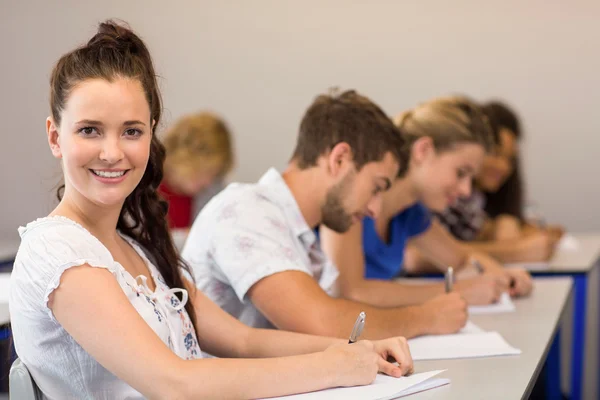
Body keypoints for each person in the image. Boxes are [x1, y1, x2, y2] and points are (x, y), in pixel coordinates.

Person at [8, 21, 413, 399]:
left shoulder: (140, 251)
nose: (112, 152)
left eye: (132, 131)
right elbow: (175, 383)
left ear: (151, 134)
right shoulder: (57, 251)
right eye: (89, 130)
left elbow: (243, 341)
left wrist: (356, 348)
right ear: (55, 136)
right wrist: (334, 368)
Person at [182, 89, 469, 341]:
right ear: (339, 159)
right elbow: (321, 322)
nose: (375, 209)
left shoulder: (300, 236)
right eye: (376, 188)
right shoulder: (245, 210)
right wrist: (425, 318)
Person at [320, 97, 533, 309]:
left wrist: (501, 277)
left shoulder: (410, 212)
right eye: (461, 173)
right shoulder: (353, 196)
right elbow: (350, 292)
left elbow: (462, 258)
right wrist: (458, 291)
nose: (466, 190)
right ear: (423, 150)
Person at [435, 101, 563, 263]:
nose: (503, 166)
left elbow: (482, 231)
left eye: (510, 159)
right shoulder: (438, 197)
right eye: (495, 153)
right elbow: (417, 256)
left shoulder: (473, 200)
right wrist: (516, 251)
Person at [159, 111, 234, 230]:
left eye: (214, 175)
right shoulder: (144, 186)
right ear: (184, 160)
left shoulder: (213, 191)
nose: (208, 182)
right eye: (206, 172)